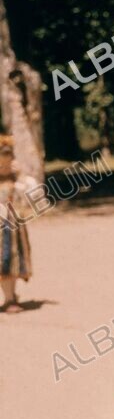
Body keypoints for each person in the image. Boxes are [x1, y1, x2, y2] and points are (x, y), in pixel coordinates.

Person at [0, 134, 36, 314]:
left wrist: (21, 176)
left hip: (11, 225)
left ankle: (10, 297)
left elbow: (35, 195)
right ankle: (9, 297)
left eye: (7, 160)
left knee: (11, 259)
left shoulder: (18, 181)